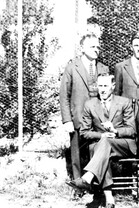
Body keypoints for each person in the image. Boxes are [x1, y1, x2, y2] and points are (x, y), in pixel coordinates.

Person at [66, 74, 137, 208]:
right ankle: (109, 201)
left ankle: (87, 178)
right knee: (103, 146)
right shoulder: (90, 104)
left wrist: (115, 131)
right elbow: (84, 133)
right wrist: (102, 136)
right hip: (102, 146)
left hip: (122, 143)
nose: (102, 89)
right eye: (100, 86)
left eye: (105, 86)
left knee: (102, 147)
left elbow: (132, 130)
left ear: (113, 86)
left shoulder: (124, 102)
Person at [60, 33, 109, 181]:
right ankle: (77, 183)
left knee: (96, 150)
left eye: (98, 46)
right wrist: (67, 120)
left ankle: (96, 184)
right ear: (82, 48)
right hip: (78, 118)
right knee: (77, 153)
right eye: (92, 46)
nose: (96, 49)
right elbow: (64, 95)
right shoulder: (71, 68)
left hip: (98, 120)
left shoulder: (103, 68)